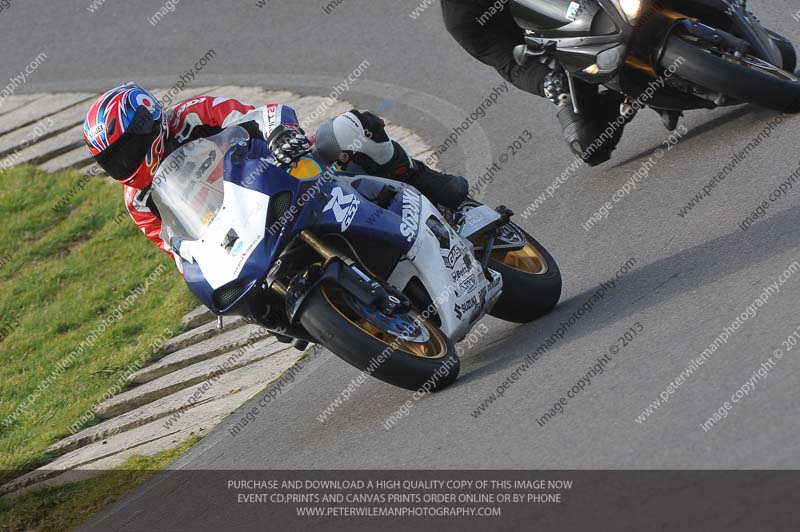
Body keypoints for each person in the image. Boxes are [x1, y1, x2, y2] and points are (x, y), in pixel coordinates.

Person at [83, 83, 468, 255]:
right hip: (244, 233)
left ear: (148, 125)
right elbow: (177, 249)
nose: (124, 163)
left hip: (284, 173)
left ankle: (420, 180)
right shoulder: (137, 201)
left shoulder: (192, 115)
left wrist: (281, 132)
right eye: (113, 159)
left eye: (126, 150)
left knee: (349, 130)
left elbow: (259, 115)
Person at [440, 0, 677, 165]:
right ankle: (633, 94)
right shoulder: (462, 21)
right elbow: (510, 65)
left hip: (595, 6)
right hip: (567, 54)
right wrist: (547, 83)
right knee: (590, 146)